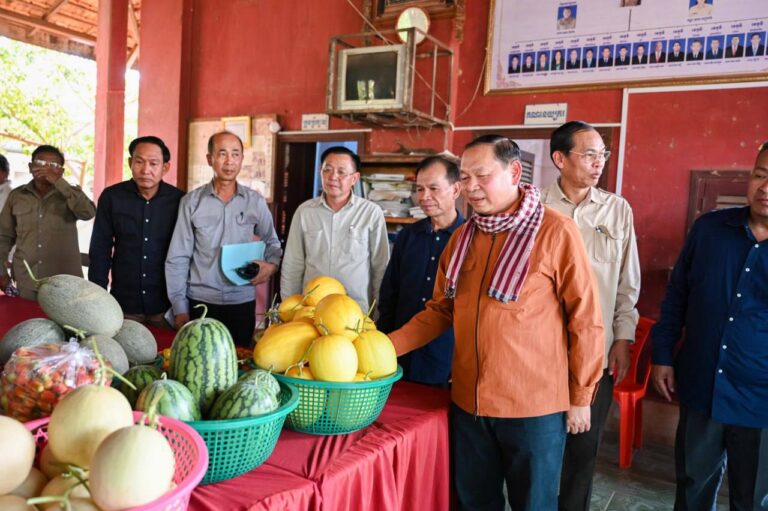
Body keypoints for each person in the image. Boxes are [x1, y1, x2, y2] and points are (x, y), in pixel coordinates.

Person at [388, 135, 605, 510]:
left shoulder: (555, 232)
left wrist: (581, 396)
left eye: (482, 176)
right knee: (473, 503)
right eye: (465, 177)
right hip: (469, 404)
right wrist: (383, 348)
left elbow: (585, 319)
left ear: (514, 172)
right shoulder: (462, 239)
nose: (471, 187)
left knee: (533, 504)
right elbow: (441, 310)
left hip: (533, 409)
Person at [651, 142, 768, 510]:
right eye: (761, 175)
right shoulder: (710, 230)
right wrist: (662, 355)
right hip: (702, 385)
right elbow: (678, 295)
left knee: (753, 499)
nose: (765, 188)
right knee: (692, 489)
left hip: (761, 400)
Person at [541, 121, 641, 511]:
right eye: (589, 155)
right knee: (538, 450)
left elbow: (627, 283)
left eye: (603, 154)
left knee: (583, 454)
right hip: (540, 355)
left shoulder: (617, 210)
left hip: (595, 357)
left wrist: (623, 339)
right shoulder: (534, 207)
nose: (599, 163)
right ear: (560, 158)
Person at [165, 131, 282, 346]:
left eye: (235, 154)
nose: (229, 161)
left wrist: (272, 266)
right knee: (200, 361)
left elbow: (272, 243)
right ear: (210, 159)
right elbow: (178, 257)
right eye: (222, 154)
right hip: (200, 301)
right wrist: (179, 307)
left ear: (242, 159)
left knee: (239, 359)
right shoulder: (191, 203)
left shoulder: (254, 201)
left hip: (241, 302)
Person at [378, 156, 464, 387]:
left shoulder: (470, 240)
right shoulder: (407, 236)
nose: (424, 197)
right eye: (419, 189)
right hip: (398, 353)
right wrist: (381, 343)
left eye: (434, 189)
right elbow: (389, 295)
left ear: (456, 190)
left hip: (444, 357)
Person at [88, 136, 184, 328]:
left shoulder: (180, 200)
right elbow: (100, 249)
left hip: (166, 306)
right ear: (130, 163)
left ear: (165, 167)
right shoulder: (112, 197)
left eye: (153, 163)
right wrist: (98, 297)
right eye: (139, 162)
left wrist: (183, 306)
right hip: (124, 304)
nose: (146, 170)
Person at [280, 146, 388, 313]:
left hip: (355, 309)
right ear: (320, 172)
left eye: (341, 172)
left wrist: (380, 311)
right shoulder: (305, 211)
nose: (332, 177)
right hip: (311, 309)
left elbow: (380, 266)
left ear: (354, 178)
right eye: (327, 170)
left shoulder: (371, 213)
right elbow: (293, 263)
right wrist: (288, 308)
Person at [0, 145, 95, 300]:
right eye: (40, 163)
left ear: (61, 171)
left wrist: (59, 182)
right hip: (26, 282)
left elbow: (88, 213)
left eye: (53, 166)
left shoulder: (71, 193)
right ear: (30, 167)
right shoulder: (16, 196)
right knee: (25, 315)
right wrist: (1, 273)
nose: (46, 169)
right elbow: (3, 237)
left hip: (65, 284)